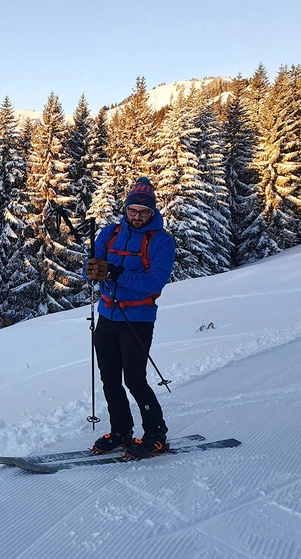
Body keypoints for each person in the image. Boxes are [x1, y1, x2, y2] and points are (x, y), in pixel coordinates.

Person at [83, 176, 176, 460]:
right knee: (109, 378)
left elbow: (155, 282)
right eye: (132, 210)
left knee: (135, 379)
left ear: (152, 211)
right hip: (107, 315)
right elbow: (92, 271)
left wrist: (116, 273)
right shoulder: (109, 234)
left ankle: (156, 434)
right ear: (125, 209)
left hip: (138, 318)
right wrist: (91, 270)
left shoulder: (161, 241)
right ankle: (121, 431)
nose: (137, 216)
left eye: (143, 212)